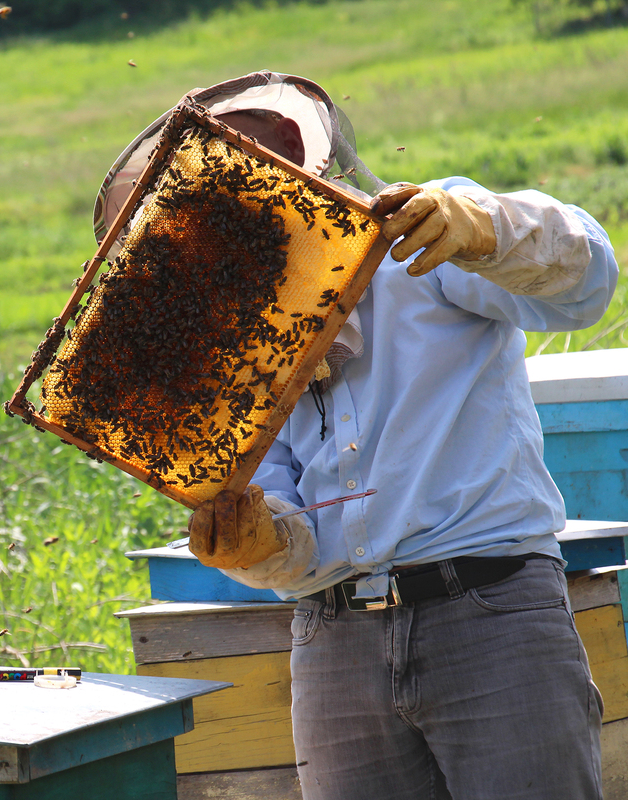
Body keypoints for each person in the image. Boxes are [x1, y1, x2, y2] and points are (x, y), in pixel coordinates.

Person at [93, 71, 619, 799]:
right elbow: (284, 521)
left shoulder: (421, 234)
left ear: (300, 162)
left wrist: (483, 228)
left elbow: (586, 283)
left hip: (491, 616)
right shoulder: (238, 345)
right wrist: (259, 547)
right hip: (334, 643)